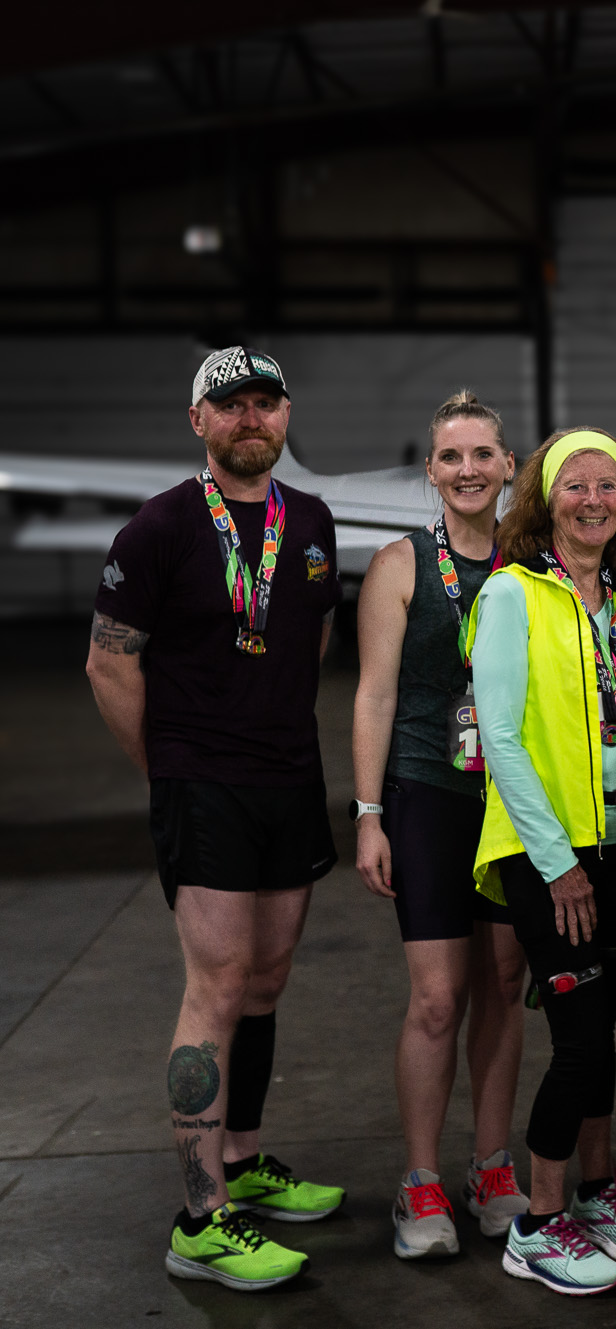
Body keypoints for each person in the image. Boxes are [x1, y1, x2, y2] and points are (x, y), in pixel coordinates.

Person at [86, 347, 344, 1292]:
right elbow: (109, 662)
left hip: (289, 779)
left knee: (266, 979)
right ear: (197, 420)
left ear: (285, 416)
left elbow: (313, 637)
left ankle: (243, 1158)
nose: (250, 417)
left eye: (266, 402)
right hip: (204, 787)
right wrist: (171, 770)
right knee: (218, 984)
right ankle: (200, 1217)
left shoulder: (309, 520)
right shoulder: (159, 527)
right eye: (230, 404)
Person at [467, 428, 616, 1296]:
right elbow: (501, 739)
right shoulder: (512, 594)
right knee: (579, 1040)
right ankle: (539, 1223)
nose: (594, 499)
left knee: (601, 1032)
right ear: (546, 500)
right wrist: (558, 863)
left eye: (608, 484)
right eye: (575, 484)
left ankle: (596, 1189)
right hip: (551, 855)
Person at [352, 390, 531, 1258]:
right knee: (436, 997)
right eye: (452, 456)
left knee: (505, 983)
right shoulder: (401, 565)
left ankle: (490, 1165)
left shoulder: (531, 564)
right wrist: (368, 814)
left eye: (483, 454)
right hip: (426, 790)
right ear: (431, 470)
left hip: (512, 801)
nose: (468, 469)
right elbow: (374, 695)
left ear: (508, 466)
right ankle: (420, 1179)